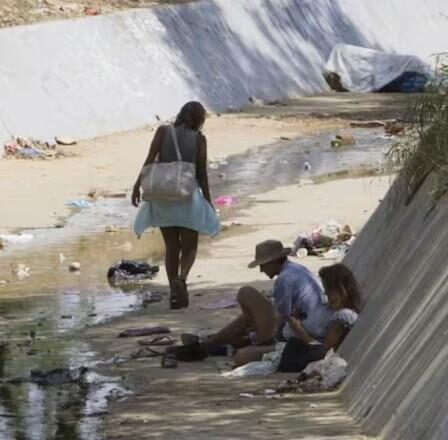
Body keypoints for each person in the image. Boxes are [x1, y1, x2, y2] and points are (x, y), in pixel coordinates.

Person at [180, 239, 330, 365]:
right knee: (246, 321)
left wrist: (256, 334)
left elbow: (281, 318)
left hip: (302, 333)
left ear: (273, 262)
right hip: (305, 328)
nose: (262, 270)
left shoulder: (285, 279)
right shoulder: (296, 269)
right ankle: (212, 343)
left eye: (263, 265)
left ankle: (211, 344)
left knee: (246, 294)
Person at [131, 101, 221, 309]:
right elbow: (201, 174)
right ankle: (182, 278)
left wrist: (137, 186)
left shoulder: (163, 131)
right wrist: (208, 202)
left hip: (163, 196)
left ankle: (173, 290)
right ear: (200, 120)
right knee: (190, 246)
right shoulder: (199, 139)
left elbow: (149, 161)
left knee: (172, 246)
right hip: (186, 196)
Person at [278, 263, 361, 372]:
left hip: (297, 347)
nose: (325, 293)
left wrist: (299, 331)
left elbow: (323, 351)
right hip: (287, 339)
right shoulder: (330, 309)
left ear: (339, 290)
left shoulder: (344, 315)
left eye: (328, 289)